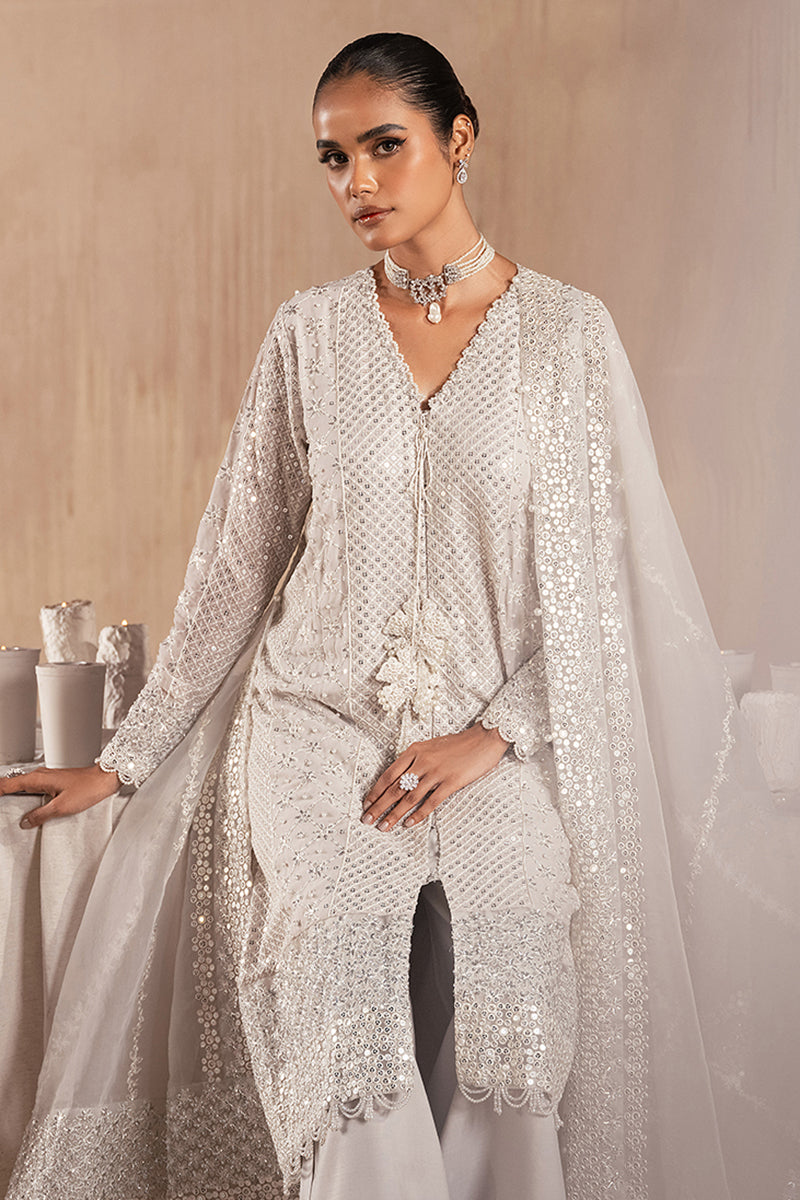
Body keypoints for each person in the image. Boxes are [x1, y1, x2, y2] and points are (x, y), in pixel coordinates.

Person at [2, 31, 797, 1200]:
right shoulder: (309, 336)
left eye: (384, 146)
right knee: (336, 981)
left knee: (519, 972)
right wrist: (122, 762)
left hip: (491, 740)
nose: (357, 183)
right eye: (333, 159)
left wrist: (499, 733)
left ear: (457, 138)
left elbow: (600, 590)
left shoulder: (567, 339)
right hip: (313, 726)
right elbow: (234, 570)